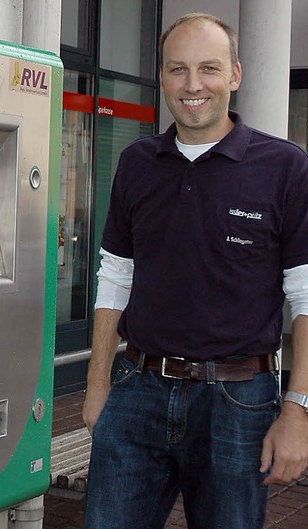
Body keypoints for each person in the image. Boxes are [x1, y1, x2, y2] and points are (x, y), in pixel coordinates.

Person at [82, 12, 308, 529]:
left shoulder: (285, 168)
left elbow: (305, 297)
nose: (192, 85)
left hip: (239, 402)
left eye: (209, 68)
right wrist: (97, 388)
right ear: (161, 77)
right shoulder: (137, 163)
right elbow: (115, 277)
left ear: (235, 75)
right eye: (177, 69)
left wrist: (297, 410)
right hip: (138, 389)